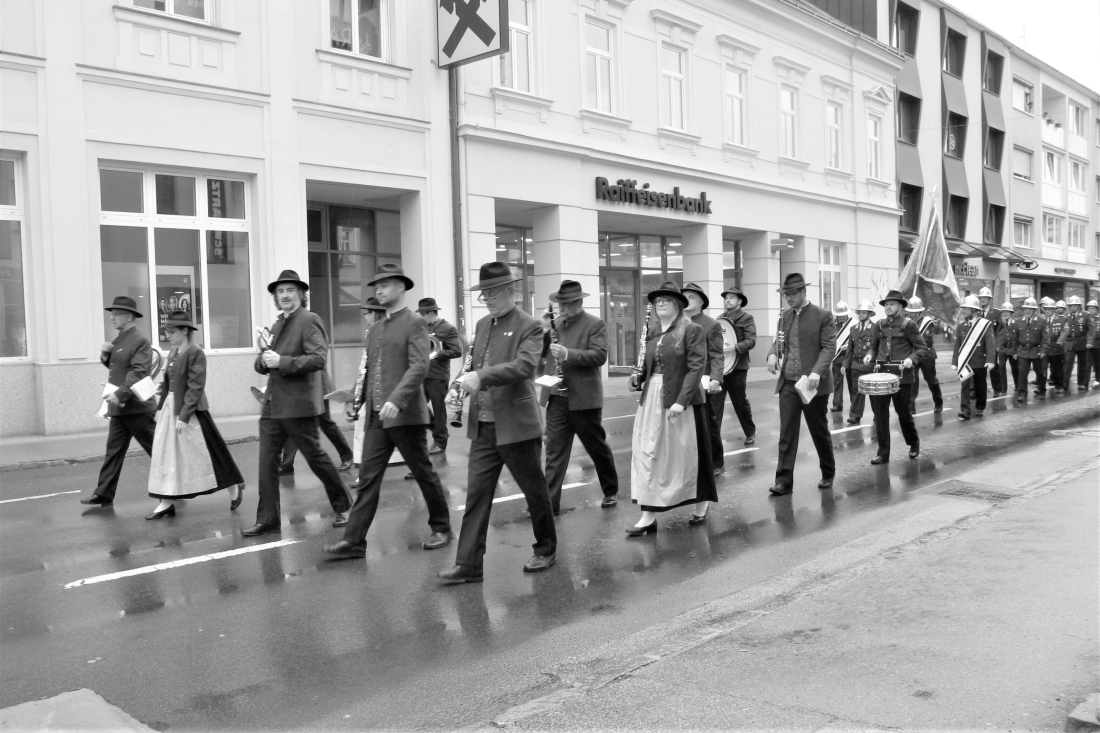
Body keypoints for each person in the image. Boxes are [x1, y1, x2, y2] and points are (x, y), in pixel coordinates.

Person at [323, 264, 453, 559]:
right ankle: (354, 541)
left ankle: (442, 527)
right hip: (377, 419)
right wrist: (355, 404)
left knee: (423, 471)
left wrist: (397, 399)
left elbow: (420, 366)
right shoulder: (375, 329)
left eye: (385, 285)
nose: (379, 290)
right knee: (368, 478)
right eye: (376, 286)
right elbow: (369, 372)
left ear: (401, 288)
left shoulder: (415, 323)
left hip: (406, 416)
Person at [439, 262, 557, 583]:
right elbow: (471, 365)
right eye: (483, 293)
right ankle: (468, 564)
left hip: (517, 425)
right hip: (484, 426)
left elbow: (524, 367)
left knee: (534, 492)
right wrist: (457, 387)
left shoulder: (530, 326)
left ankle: (546, 548)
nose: (487, 298)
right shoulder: (481, 324)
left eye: (492, 292)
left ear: (510, 290)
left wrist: (481, 376)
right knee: (477, 495)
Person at [243, 270, 351, 537]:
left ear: (301, 294)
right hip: (272, 404)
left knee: (316, 458)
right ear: (276, 298)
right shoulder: (278, 324)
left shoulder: (309, 320)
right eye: (280, 292)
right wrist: (263, 360)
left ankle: (346, 506)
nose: (285, 295)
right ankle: (268, 519)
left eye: (290, 290)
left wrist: (283, 362)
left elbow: (318, 359)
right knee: (267, 462)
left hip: (298, 404)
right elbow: (265, 361)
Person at [627, 281, 717, 529]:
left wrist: (681, 401)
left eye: (666, 300)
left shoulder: (692, 329)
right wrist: (638, 378)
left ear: (678, 305)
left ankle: (701, 503)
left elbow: (696, 368)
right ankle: (648, 514)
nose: (660, 303)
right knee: (648, 454)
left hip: (682, 401)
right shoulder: (653, 330)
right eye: (657, 301)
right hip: (652, 398)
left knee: (690, 456)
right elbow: (649, 364)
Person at [146, 310, 245, 520]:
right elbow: (169, 382)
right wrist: (159, 403)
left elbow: (195, 386)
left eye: (172, 331)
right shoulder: (173, 352)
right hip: (170, 409)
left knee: (213, 454)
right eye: (167, 331)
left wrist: (184, 415)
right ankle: (165, 501)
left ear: (185, 330)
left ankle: (234, 488)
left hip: (192, 411)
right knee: (166, 455)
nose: (168, 335)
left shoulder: (195, 352)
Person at [541, 280, 620, 514]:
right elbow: (543, 356)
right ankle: (549, 504)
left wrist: (568, 354)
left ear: (579, 302)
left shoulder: (595, 323)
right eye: (559, 304)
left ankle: (610, 490)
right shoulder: (556, 324)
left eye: (566, 304)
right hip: (558, 396)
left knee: (596, 447)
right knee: (554, 452)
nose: (561, 308)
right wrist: (544, 333)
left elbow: (599, 356)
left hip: (583, 398)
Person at [80, 296, 158, 509]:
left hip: (138, 408)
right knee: (113, 452)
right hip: (120, 408)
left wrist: (121, 394)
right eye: (112, 314)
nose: (113, 317)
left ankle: (175, 489)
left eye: (117, 313)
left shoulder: (140, 340)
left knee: (158, 451)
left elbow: (138, 372)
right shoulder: (119, 339)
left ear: (130, 316)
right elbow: (119, 369)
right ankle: (104, 493)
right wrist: (105, 356)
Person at [765, 273, 836, 495]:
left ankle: (828, 471)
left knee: (818, 429)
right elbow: (779, 341)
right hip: (789, 382)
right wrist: (772, 354)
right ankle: (783, 481)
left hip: (813, 384)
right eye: (786, 294)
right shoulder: (784, 316)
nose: (789, 298)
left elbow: (829, 347)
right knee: (787, 432)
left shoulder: (823, 315)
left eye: (793, 294)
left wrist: (817, 373)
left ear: (804, 292)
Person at [862, 289, 928, 463]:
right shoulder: (879, 325)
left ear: (900, 306)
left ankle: (913, 442)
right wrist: (870, 354)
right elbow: (873, 346)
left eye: (892, 304)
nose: (888, 307)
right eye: (886, 304)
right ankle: (883, 453)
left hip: (902, 377)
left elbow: (921, 348)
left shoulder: (908, 325)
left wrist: (910, 359)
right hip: (882, 375)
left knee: (903, 413)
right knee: (881, 415)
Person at [682, 282, 726, 474]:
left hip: (703, 380)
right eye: (684, 296)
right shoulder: (676, 322)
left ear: (701, 302)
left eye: (691, 297)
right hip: (681, 380)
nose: (687, 300)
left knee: (708, 422)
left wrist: (716, 378)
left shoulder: (711, 325)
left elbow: (717, 354)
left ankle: (716, 462)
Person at [278, 365, 354, 476]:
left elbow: (315, 359)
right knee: (292, 422)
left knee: (325, 423)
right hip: (298, 386)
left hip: (317, 385)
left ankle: (347, 456)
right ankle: (286, 465)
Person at [417, 297, 462, 455]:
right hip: (422, 374)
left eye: (422, 313)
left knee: (439, 409)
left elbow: (457, 351)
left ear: (429, 312)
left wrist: (437, 353)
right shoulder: (422, 327)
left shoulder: (447, 328)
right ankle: (438, 428)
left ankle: (440, 441)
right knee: (418, 407)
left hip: (438, 375)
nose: (420, 317)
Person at [716, 286, 757, 445]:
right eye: (726, 298)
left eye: (732, 297)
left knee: (739, 402)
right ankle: (714, 437)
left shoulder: (747, 318)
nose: (728, 300)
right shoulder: (719, 319)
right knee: (716, 404)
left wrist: (735, 347)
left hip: (738, 367)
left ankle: (750, 431)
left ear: (739, 302)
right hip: (721, 366)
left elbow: (751, 340)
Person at [951, 295, 996, 420]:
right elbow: (958, 346)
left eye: (966, 308)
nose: (964, 311)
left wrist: (990, 360)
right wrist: (955, 362)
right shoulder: (961, 326)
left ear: (974, 310)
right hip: (965, 362)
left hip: (980, 361)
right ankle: (965, 410)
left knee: (980, 385)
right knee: (964, 385)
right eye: (963, 308)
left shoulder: (985, 325)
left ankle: (980, 406)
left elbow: (990, 343)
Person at [904, 297, 943, 414]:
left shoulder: (927, 322)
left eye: (915, 312)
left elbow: (926, 340)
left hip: (926, 355)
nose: (913, 314)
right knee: (912, 381)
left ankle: (938, 402)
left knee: (931, 380)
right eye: (911, 312)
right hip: (913, 355)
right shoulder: (907, 322)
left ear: (920, 311)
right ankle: (911, 407)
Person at [844, 300, 877, 426]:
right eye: (860, 312)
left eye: (864, 313)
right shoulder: (853, 329)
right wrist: (845, 365)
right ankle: (855, 415)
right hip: (856, 365)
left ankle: (877, 414)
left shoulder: (874, 328)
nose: (861, 315)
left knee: (873, 393)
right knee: (856, 392)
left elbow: (875, 346)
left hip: (869, 366)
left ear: (869, 314)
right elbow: (850, 349)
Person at [1014, 297, 1048, 404]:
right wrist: (1014, 351)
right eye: (1026, 309)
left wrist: (1043, 350)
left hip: (1037, 350)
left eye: (1030, 309)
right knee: (1022, 373)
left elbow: (1046, 338)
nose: (1027, 311)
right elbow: (1015, 337)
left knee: (1040, 372)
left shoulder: (1042, 321)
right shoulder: (1018, 321)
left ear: (1034, 310)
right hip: (1023, 351)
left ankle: (1042, 390)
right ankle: (1022, 394)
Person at [1058, 295, 1092, 392]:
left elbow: (1091, 329)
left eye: (1075, 305)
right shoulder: (1065, 316)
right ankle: (1064, 384)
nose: (1073, 307)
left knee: (1083, 364)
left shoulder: (1086, 315)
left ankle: (1082, 383)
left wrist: (1089, 341)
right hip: (1069, 342)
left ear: (1079, 306)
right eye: (1071, 305)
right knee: (1067, 363)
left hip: (1082, 342)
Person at [976, 287, 1004, 394]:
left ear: (989, 299)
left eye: (985, 298)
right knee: (979, 368)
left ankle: (997, 388)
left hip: (991, 345)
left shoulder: (996, 313)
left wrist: (998, 344)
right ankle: (979, 389)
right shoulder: (976, 312)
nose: (982, 300)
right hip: (979, 345)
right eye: (981, 297)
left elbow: (1001, 329)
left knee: (993, 367)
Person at [1041, 297, 1067, 395]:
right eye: (1045, 309)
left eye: (1049, 309)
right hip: (1044, 348)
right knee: (1042, 369)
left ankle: (1059, 386)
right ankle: (1041, 388)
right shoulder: (1041, 319)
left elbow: (1065, 331)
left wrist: (1060, 341)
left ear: (1054, 309)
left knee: (1057, 369)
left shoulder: (1062, 319)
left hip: (1057, 348)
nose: (1047, 311)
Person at [830, 301, 851, 413]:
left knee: (852, 384)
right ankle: (837, 404)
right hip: (837, 358)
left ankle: (854, 405)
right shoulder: (832, 325)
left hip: (849, 358)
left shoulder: (852, 325)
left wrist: (848, 347)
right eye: (839, 316)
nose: (842, 317)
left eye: (843, 315)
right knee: (837, 383)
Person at [995, 302, 1019, 397]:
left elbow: (1017, 336)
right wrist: (998, 346)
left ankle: (1017, 385)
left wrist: (1015, 350)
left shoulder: (1016, 323)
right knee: (1001, 368)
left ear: (1011, 313)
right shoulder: (999, 323)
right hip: (1002, 349)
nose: (1005, 314)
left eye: (1007, 312)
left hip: (1012, 349)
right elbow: (997, 335)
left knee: (1015, 368)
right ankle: (1003, 387)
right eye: (1004, 312)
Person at [1087, 300, 1100, 388]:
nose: (1091, 310)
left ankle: (1098, 379)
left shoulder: (1099, 318)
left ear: (1096, 309)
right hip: (1087, 344)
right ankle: (1085, 381)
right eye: (1089, 308)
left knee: (1097, 362)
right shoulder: (1085, 318)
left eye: (1093, 308)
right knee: (1087, 362)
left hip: (1097, 344)